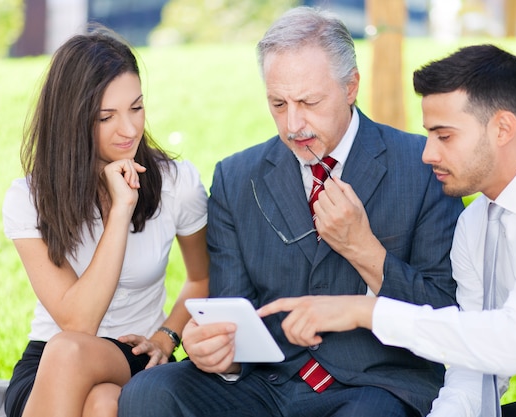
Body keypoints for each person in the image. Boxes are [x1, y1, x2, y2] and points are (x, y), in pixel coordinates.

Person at [118, 6, 463, 417]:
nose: (293, 123)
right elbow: (234, 315)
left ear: (351, 86)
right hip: (265, 385)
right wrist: (219, 354)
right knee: (149, 392)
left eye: (309, 101)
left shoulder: (422, 167)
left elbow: (445, 314)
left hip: (375, 386)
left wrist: (364, 249)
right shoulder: (236, 176)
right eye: (278, 103)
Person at [258, 44, 516, 417]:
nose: (428, 154)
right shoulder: (474, 226)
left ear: (503, 128)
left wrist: (367, 311)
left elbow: (514, 339)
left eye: (444, 136)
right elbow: (476, 365)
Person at [2, 25, 210, 417]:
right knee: (100, 399)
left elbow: (202, 278)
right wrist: (119, 212)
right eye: (106, 117)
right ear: (72, 119)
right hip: (50, 365)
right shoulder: (28, 198)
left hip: (134, 356)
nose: (130, 129)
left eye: (136, 107)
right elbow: (77, 322)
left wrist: (166, 338)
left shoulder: (176, 184)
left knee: (87, 371)